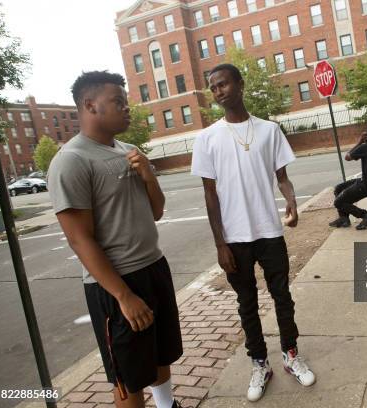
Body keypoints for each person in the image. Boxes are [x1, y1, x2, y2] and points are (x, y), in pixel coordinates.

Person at [47, 71, 183, 408]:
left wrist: (148, 175)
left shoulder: (129, 150)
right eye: (118, 102)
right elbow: (79, 239)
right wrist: (123, 295)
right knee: (129, 378)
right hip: (117, 283)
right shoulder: (71, 161)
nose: (127, 109)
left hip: (153, 265)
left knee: (160, 354)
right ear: (90, 105)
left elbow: (157, 211)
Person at [191, 64, 315, 402]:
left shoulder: (269, 130)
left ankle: (290, 354)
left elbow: (283, 177)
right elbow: (209, 195)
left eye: (224, 83)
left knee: (282, 297)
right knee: (246, 303)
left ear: (240, 85)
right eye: (213, 87)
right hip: (233, 238)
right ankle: (260, 363)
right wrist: (220, 243)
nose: (219, 91)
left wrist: (291, 202)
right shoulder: (206, 138)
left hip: (269, 230)